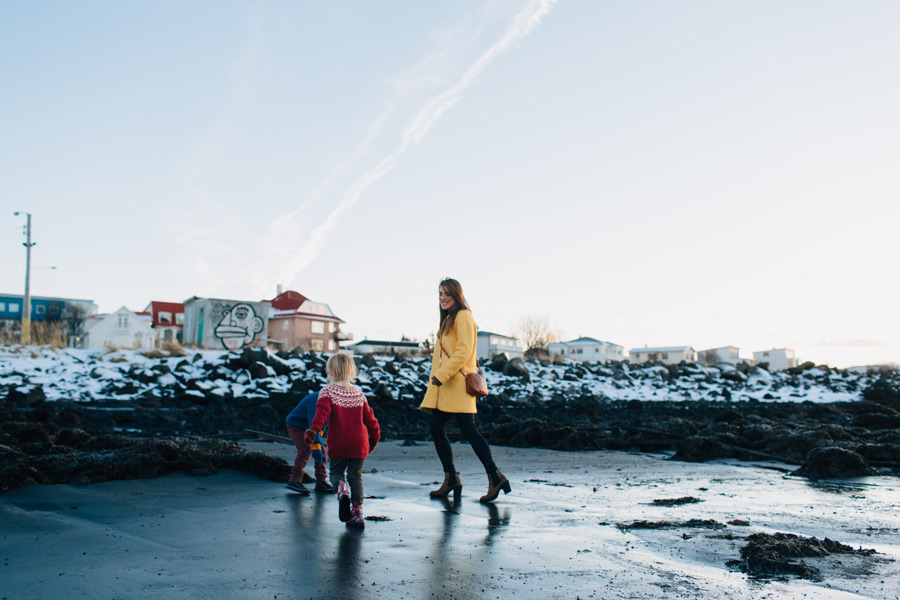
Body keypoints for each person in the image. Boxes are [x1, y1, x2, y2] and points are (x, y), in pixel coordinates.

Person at [420, 277, 511, 503]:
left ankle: (494, 475)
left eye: (447, 293)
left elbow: (462, 352)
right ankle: (452, 478)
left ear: (457, 295)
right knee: (437, 428)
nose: (442, 298)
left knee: (468, 430)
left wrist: (440, 376)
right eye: (440, 294)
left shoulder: (464, 316)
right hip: (446, 387)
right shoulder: (449, 318)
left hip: (457, 385)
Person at [306, 353, 380, 529]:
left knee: (337, 473)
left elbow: (321, 415)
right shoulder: (358, 393)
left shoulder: (327, 391)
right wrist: (373, 441)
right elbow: (372, 422)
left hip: (339, 443)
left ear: (330, 371)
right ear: (350, 371)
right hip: (359, 444)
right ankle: (357, 515)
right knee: (356, 476)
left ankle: (341, 490)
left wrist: (313, 430)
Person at [285, 392, 333, 495]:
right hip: (296, 426)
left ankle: (321, 481)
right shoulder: (317, 400)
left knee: (321, 451)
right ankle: (294, 480)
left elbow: (324, 422)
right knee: (306, 449)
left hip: (311, 428)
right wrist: (316, 444)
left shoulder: (332, 400)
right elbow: (314, 424)